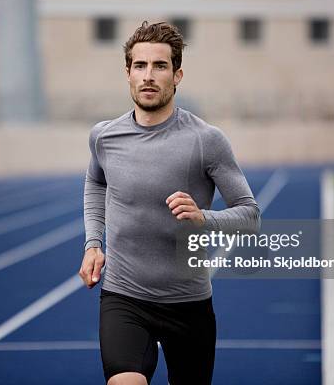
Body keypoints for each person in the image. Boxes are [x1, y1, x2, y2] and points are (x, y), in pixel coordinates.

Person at [79, 21, 261, 385]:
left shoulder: (206, 140)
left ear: (177, 75)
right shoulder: (104, 136)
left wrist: (203, 218)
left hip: (188, 303)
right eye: (140, 66)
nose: (149, 76)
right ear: (128, 73)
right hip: (124, 296)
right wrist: (94, 243)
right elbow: (96, 182)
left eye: (160, 66)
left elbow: (250, 214)